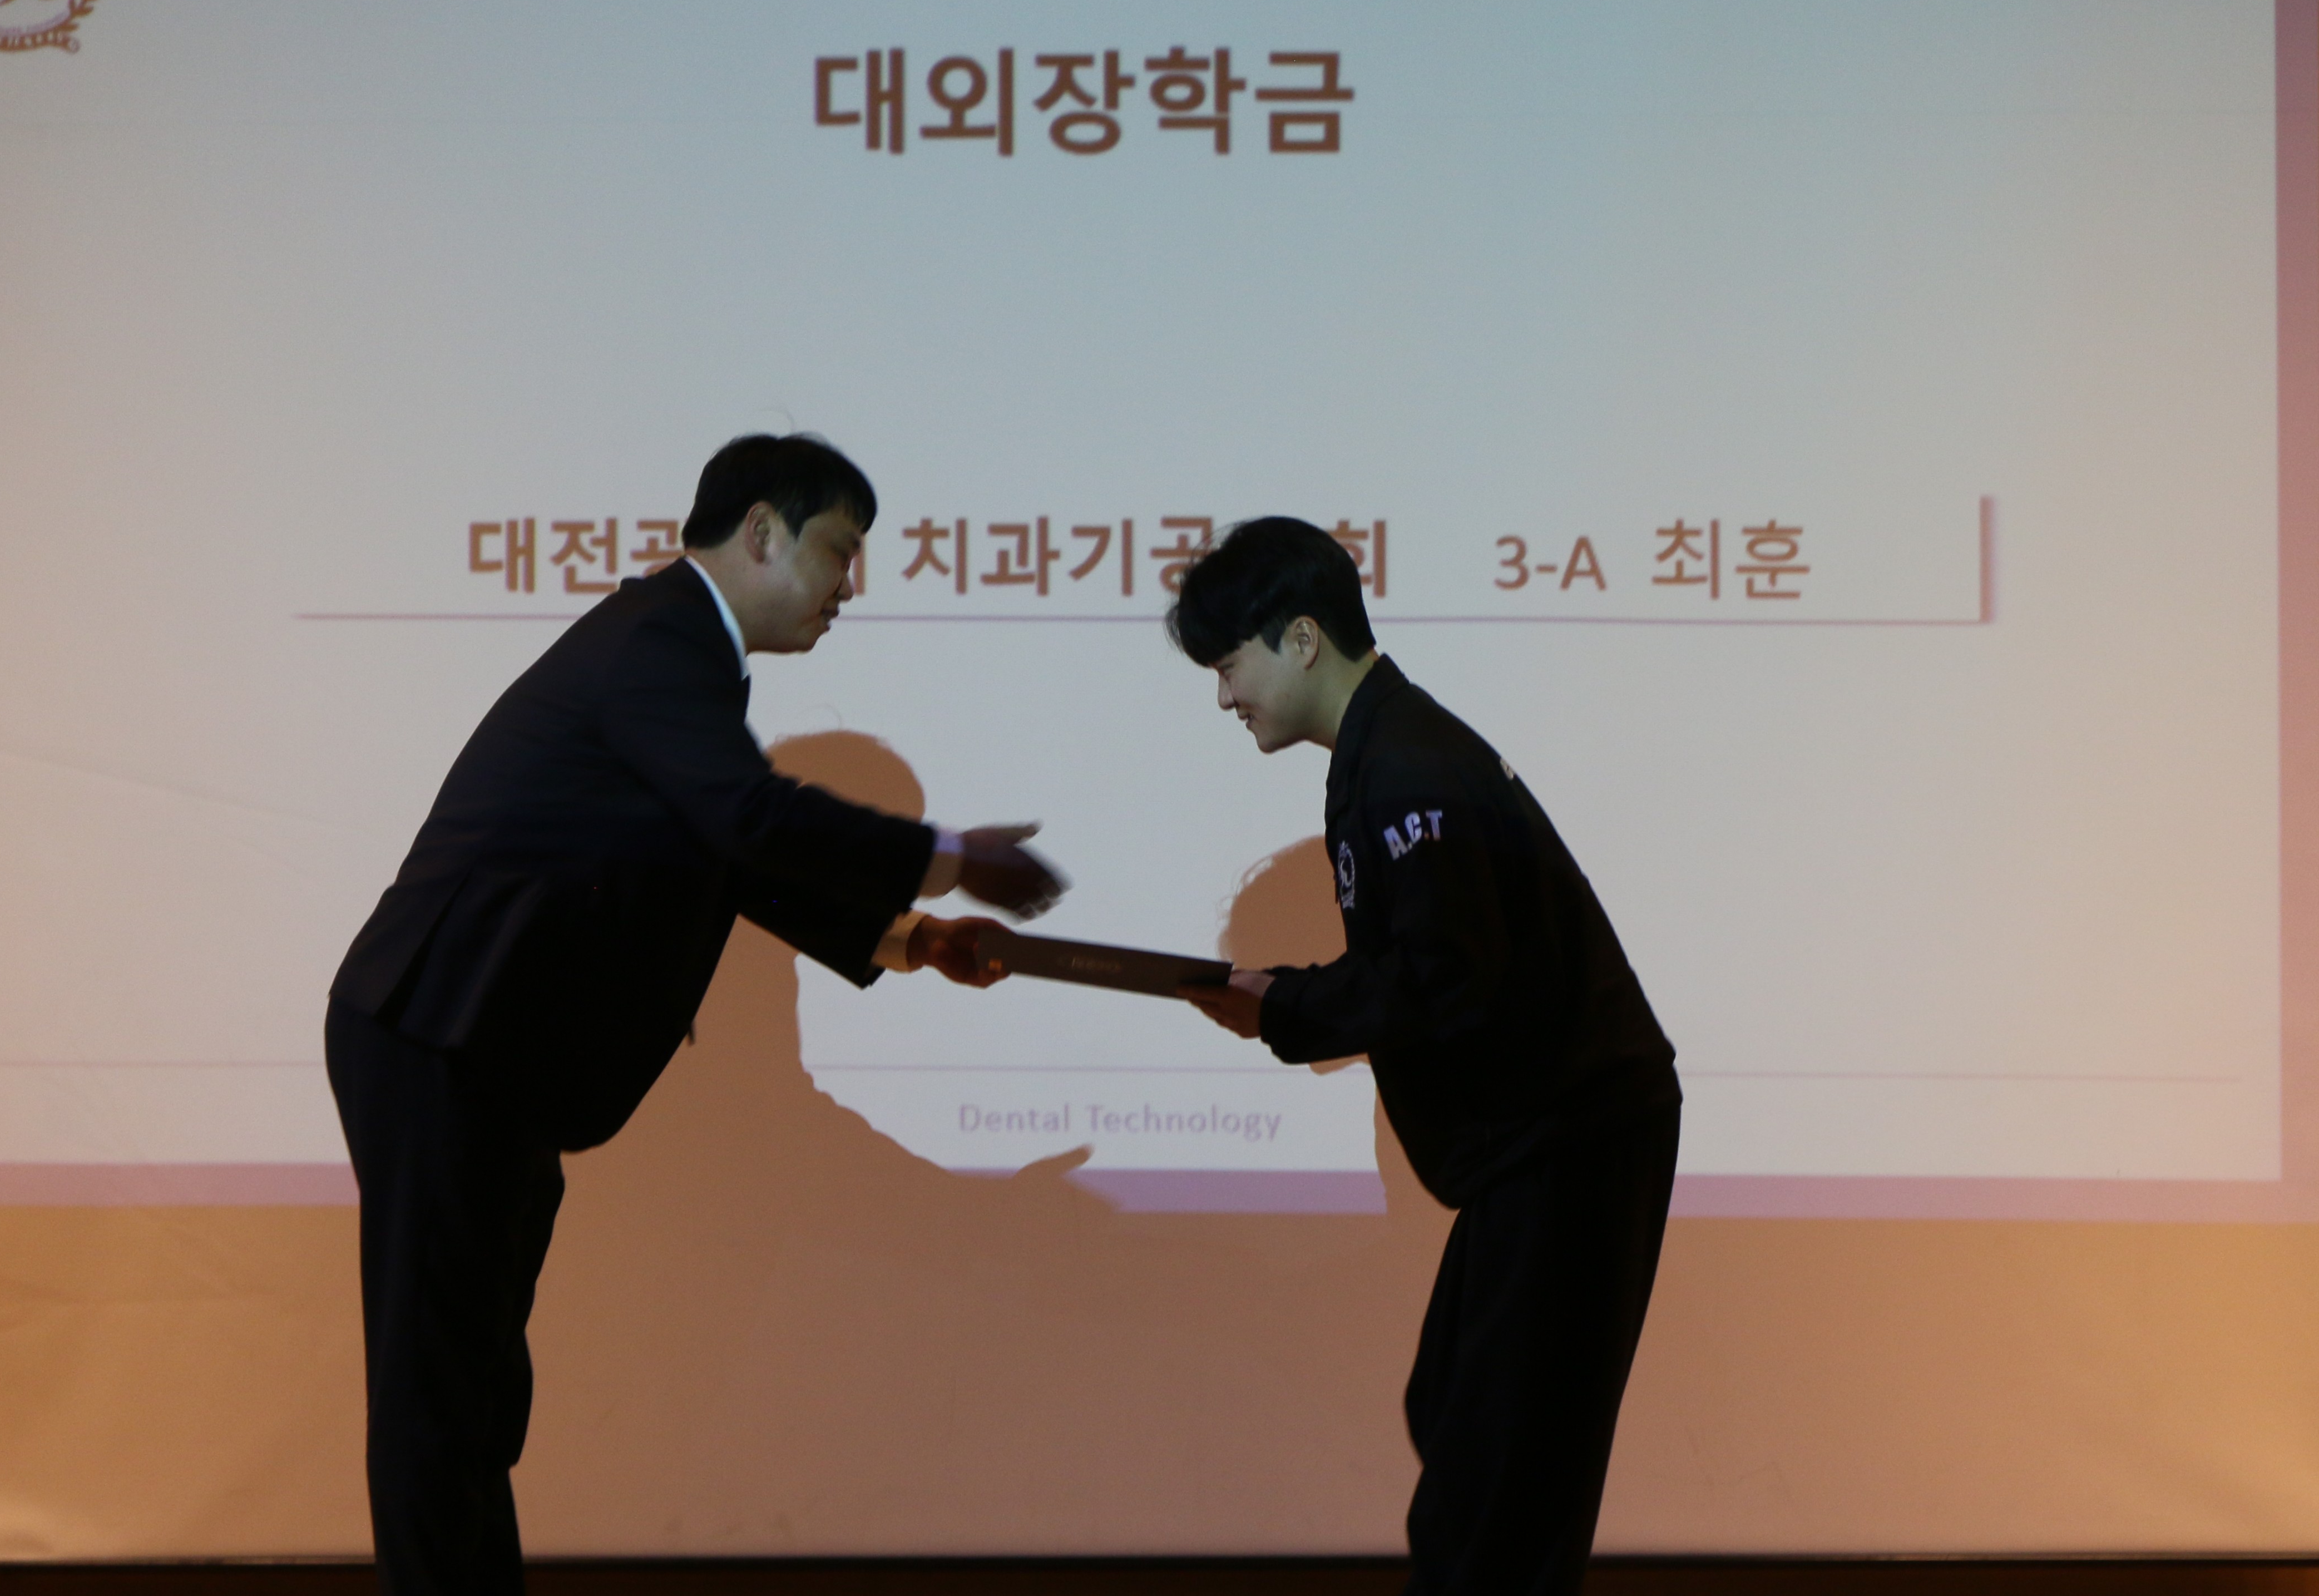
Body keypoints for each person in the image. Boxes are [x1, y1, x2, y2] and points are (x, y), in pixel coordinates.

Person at [323, 433, 1063, 1596]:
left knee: (473, 1389)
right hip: (442, 1030)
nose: (850, 585)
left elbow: (725, 855)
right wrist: (948, 856)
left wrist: (909, 937)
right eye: (840, 551)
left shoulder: (678, 653)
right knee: (440, 1393)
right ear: (762, 531)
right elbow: (747, 820)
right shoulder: (661, 640)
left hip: (485, 1047)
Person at [1169, 516, 1679, 1596]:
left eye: (1228, 664)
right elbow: (1436, 969)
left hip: (1571, 1135)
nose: (1223, 697)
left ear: (1300, 638)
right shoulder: (1390, 750)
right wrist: (1286, 1003)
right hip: (1552, 1139)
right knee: (1460, 1417)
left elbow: (1445, 977)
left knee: (1494, 1485)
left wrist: (1285, 1007)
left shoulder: (1408, 767)